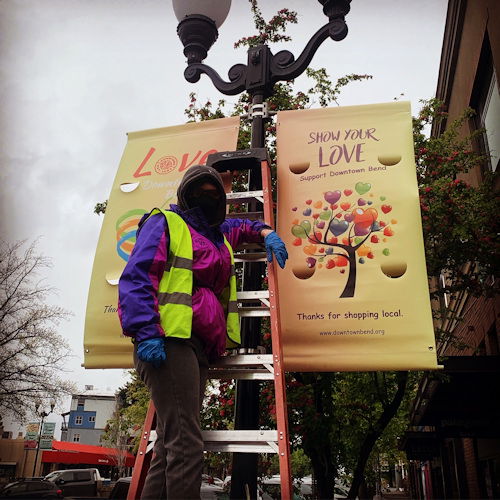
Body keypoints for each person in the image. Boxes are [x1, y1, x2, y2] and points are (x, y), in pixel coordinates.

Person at [118, 164, 288, 499]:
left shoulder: (217, 235)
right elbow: (137, 276)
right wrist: (146, 331)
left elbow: (244, 226)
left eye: (213, 194)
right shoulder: (166, 222)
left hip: (196, 346)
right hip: (168, 341)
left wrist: (266, 232)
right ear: (184, 195)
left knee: (170, 444)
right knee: (185, 443)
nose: (205, 199)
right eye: (198, 192)